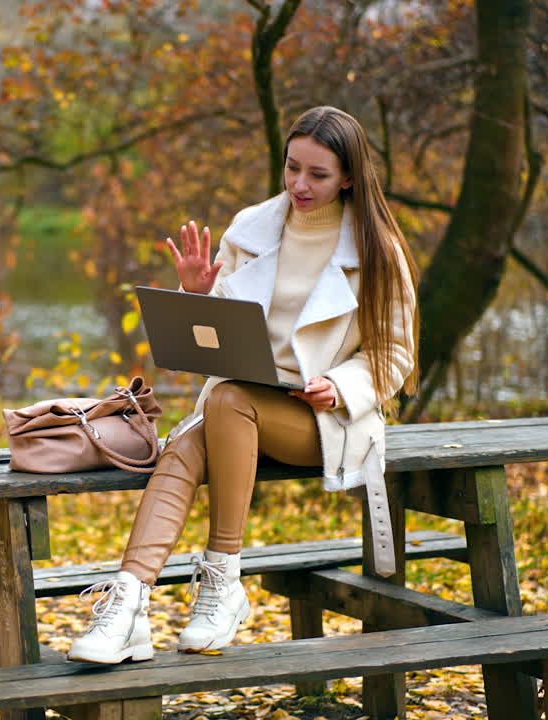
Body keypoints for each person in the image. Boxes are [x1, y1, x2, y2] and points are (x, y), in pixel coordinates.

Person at [67, 106, 420, 665]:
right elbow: (218, 339)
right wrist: (198, 297)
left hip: (318, 417)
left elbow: (395, 353)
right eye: (292, 167)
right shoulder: (251, 228)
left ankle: (224, 580)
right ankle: (129, 604)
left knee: (227, 402)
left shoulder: (377, 251)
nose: (299, 184)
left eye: (318, 175)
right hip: (239, 404)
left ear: (349, 176)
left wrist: (340, 384)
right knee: (186, 446)